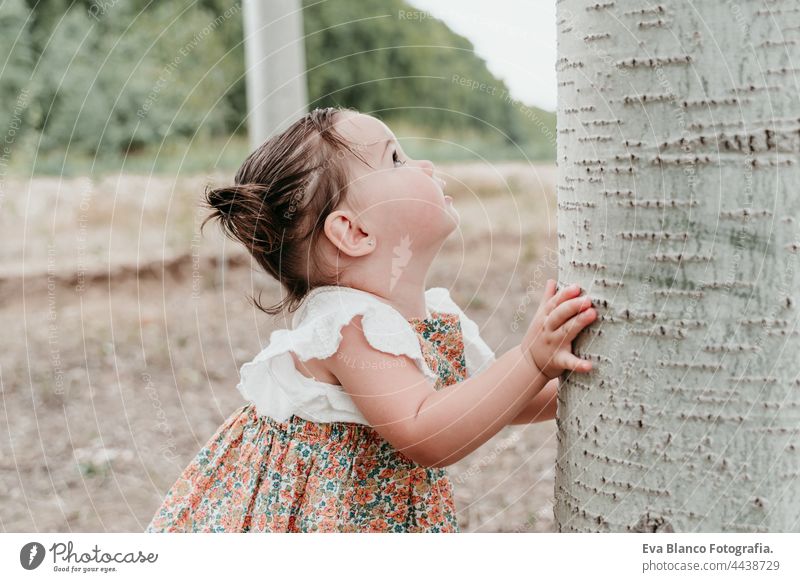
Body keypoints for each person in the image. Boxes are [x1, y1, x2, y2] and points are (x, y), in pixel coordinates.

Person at [145, 106, 597, 533]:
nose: (424, 166)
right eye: (396, 159)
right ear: (355, 232)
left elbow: (490, 400)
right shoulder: (347, 324)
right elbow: (426, 431)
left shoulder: (430, 314)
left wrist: (578, 388)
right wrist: (531, 360)